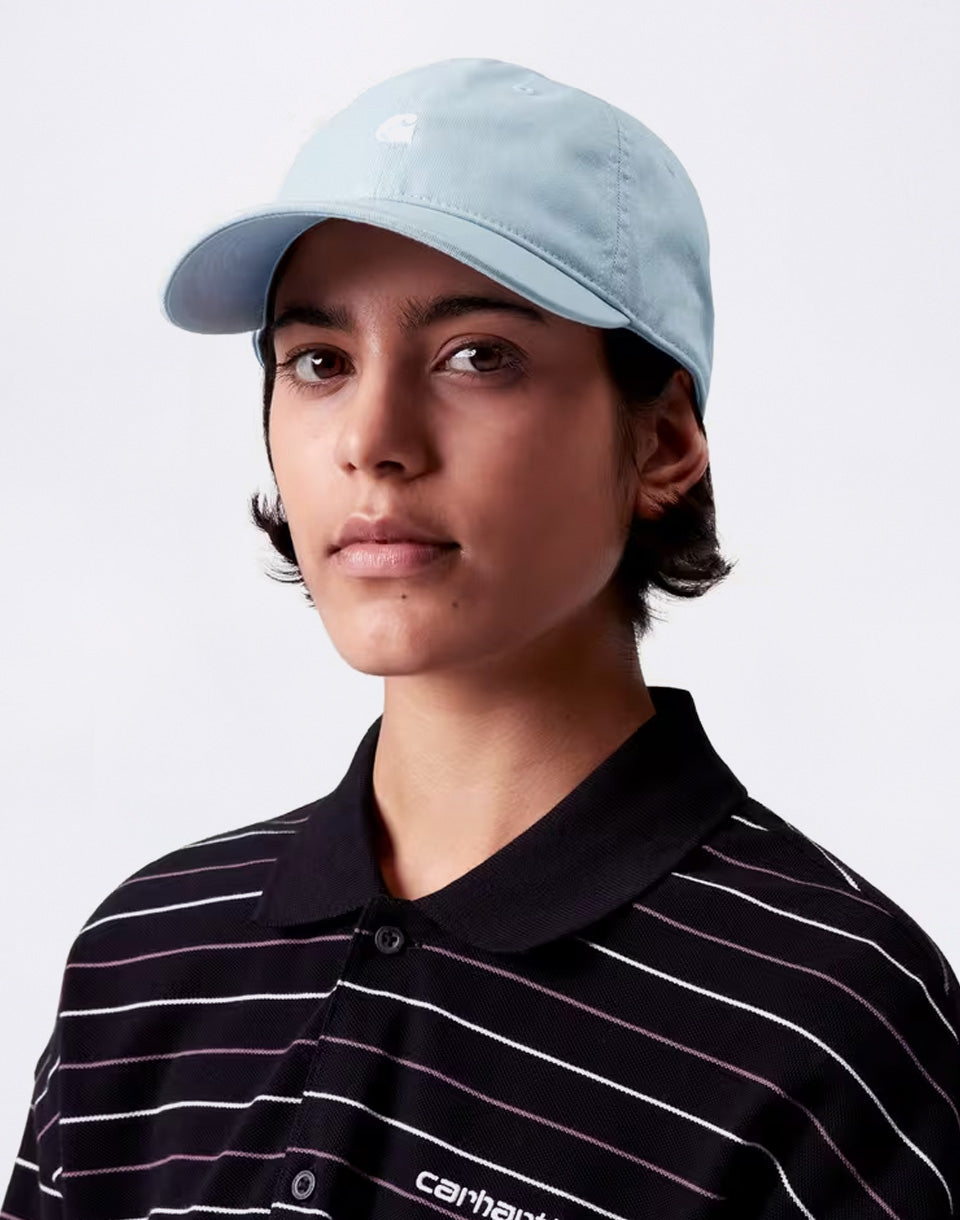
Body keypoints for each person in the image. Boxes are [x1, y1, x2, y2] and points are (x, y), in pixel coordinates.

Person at [4, 56, 958, 1220]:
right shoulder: (143, 956)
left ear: (663, 442)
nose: (373, 438)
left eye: (477, 356)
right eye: (319, 362)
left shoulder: (830, 1023)